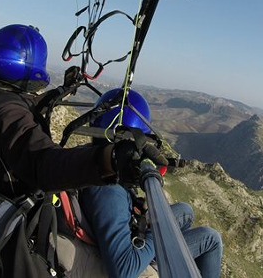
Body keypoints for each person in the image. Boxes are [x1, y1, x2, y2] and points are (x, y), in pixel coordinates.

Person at [0, 24, 164, 278]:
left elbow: (20, 110)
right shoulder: (8, 117)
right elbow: (44, 164)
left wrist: (60, 92)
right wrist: (110, 160)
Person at [78, 88, 224, 278]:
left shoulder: (96, 161)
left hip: (130, 231)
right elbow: (123, 270)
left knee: (185, 211)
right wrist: (159, 234)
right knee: (211, 238)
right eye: (141, 142)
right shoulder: (109, 191)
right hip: (135, 255)